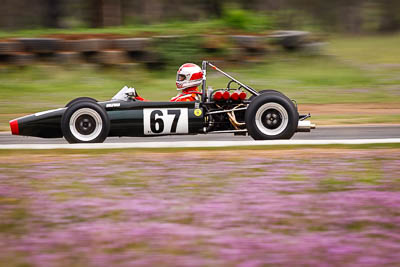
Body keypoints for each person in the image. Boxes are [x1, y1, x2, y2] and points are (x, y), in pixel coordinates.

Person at [132, 63, 203, 102]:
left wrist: (141, 101)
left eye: (182, 77)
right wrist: (140, 99)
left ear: (191, 78)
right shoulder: (191, 95)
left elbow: (161, 109)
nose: (179, 79)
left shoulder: (186, 99)